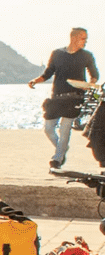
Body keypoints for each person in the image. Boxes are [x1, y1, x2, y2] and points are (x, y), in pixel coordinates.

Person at [30, 27, 98, 169]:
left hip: (75, 97)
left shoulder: (87, 55)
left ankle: (57, 159)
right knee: (48, 128)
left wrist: (90, 84)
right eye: (83, 38)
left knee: (65, 129)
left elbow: (94, 74)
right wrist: (35, 80)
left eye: (86, 38)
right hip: (57, 97)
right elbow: (48, 73)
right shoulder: (57, 54)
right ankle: (62, 149)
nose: (85, 41)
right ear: (73, 38)